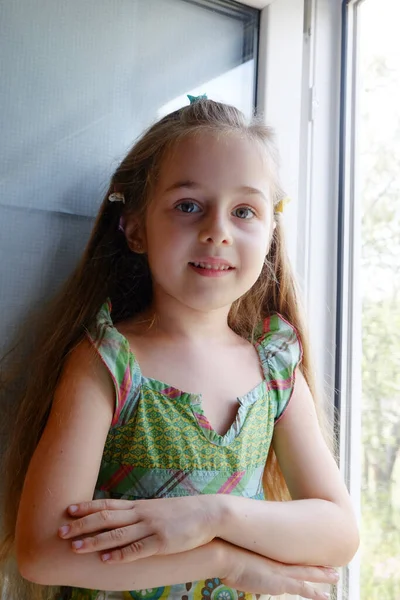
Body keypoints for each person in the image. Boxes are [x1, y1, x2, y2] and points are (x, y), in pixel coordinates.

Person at [0, 97, 359, 600]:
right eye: (188, 206)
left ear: (271, 231)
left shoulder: (275, 368)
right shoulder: (107, 365)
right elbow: (42, 552)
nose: (217, 231)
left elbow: (340, 533)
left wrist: (212, 514)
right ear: (136, 227)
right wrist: (223, 559)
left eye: (244, 211)